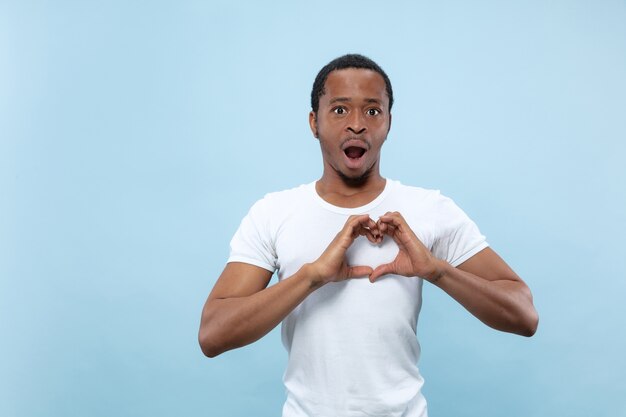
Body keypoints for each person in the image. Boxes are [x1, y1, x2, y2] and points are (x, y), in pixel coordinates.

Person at [198, 54, 538, 417]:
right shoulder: (273, 212)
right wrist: (312, 276)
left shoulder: (429, 208)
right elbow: (213, 334)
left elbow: (523, 315)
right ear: (314, 122)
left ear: (389, 122)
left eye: (373, 111)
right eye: (340, 110)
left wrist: (436, 271)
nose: (357, 125)